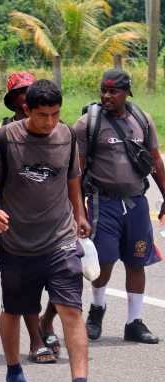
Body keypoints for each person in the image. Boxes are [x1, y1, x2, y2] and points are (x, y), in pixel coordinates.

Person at [0, 79, 108, 382]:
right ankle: (14, 373)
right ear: (26, 110)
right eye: (42, 115)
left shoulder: (66, 135)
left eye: (54, 114)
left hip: (60, 240)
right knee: (14, 309)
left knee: (71, 309)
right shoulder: (6, 139)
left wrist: (79, 214)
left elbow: (72, 179)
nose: (49, 122)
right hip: (18, 243)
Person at [77, 68, 164, 344]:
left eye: (113, 91)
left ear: (127, 92)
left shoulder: (142, 120)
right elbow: (75, 173)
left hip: (137, 203)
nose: (106, 96)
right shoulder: (87, 124)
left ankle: (133, 322)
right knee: (102, 262)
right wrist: (77, 211)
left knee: (137, 262)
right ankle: (97, 310)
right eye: (103, 90)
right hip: (104, 203)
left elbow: (155, 163)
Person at [0, 71, 60, 363]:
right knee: (27, 284)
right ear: (15, 101)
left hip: (55, 219)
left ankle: (47, 320)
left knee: (66, 279)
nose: (25, 96)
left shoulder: (56, 128)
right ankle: (36, 339)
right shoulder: (1, 134)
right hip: (15, 219)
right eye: (21, 92)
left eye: (29, 90)